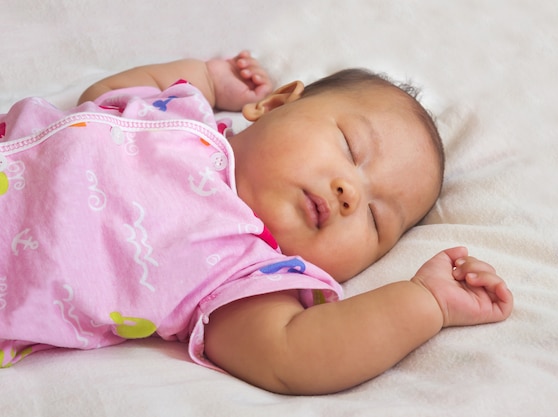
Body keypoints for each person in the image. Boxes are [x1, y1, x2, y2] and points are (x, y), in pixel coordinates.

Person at [0, 51, 513, 395]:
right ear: (271, 105)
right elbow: (108, 90)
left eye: (377, 221)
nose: (351, 194)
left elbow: (293, 356)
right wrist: (206, 75)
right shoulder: (184, 114)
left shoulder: (247, 273)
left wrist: (424, 303)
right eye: (350, 149)